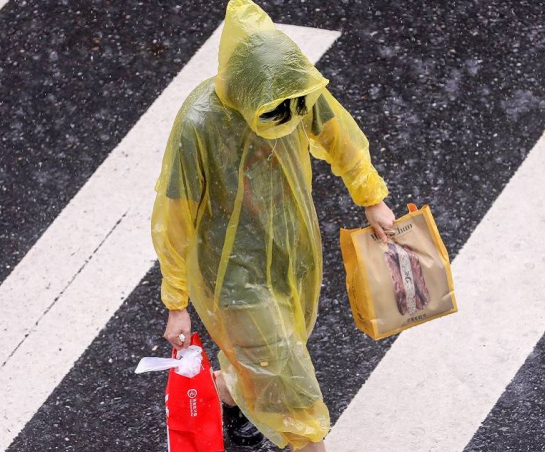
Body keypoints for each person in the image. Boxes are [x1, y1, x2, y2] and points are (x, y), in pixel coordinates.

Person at [150, 0, 395, 450]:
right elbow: (175, 217)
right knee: (294, 386)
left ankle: (227, 392)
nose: (289, 116)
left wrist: (371, 199)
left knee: (276, 356)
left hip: (291, 251)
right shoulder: (199, 124)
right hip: (231, 274)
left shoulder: (294, 91)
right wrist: (176, 301)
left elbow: (339, 137)